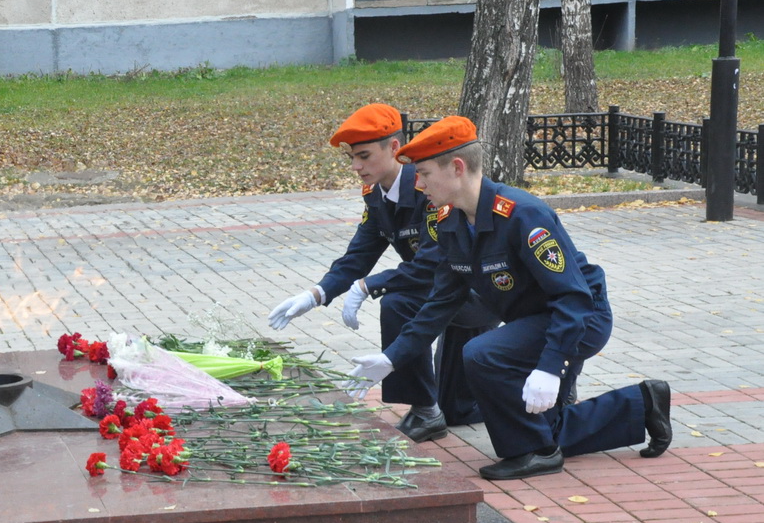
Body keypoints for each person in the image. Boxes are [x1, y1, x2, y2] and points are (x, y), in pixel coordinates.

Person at [347, 115, 672, 480]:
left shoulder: (522, 215)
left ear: (456, 168)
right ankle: (642, 403)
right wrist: (392, 358)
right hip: (537, 320)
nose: (418, 185)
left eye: (423, 174)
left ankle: (537, 453)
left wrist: (550, 366)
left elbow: (573, 297)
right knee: (545, 421)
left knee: (484, 353)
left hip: (579, 318)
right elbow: (441, 301)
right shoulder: (451, 221)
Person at [268, 103, 496, 442]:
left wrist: (370, 285)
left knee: (398, 302)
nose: (357, 167)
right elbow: (357, 256)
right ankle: (430, 407)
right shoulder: (377, 196)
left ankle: (425, 412)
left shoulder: (431, 189)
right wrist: (316, 294)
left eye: (364, 156)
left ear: (393, 148)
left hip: (476, 294)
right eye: (352, 158)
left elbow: (431, 264)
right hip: (441, 294)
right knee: (459, 409)